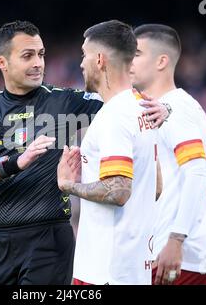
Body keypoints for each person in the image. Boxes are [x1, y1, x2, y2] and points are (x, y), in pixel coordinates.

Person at [0, 20, 169, 285]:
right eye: (28, 56)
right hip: (1, 245)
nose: (38, 63)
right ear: (2, 62)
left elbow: (124, 102)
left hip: (50, 242)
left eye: (41, 55)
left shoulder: (65, 102)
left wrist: (166, 108)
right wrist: (17, 162)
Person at [56, 20, 160, 285]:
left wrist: (70, 185)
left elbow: (118, 191)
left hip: (106, 270)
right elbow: (157, 186)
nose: (81, 63)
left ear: (100, 60)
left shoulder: (114, 115)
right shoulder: (143, 109)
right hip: (135, 267)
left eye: (84, 54)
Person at [130, 24, 206, 285]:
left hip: (182, 256)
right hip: (194, 253)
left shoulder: (174, 107)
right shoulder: (171, 106)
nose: (129, 60)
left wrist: (176, 240)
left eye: (137, 53)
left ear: (162, 61)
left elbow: (196, 171)